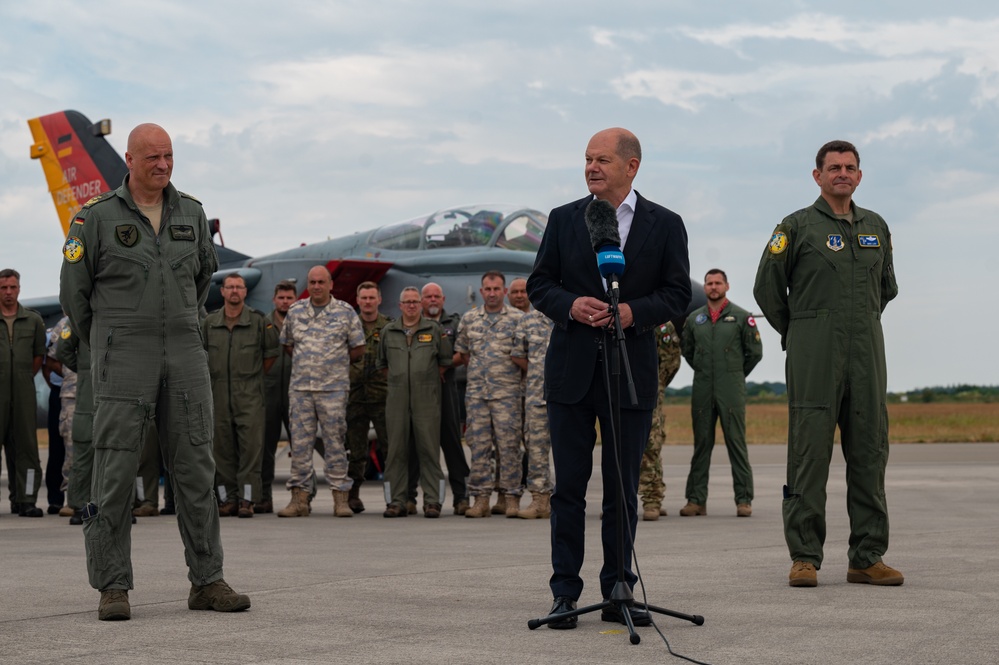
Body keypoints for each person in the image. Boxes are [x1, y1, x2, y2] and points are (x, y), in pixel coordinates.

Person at [60, 122, 250, 621]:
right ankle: (113, 586)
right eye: (152, 158)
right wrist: (109, 341)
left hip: (185, 354)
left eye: (168, 156)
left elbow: (203, 275)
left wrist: (178, 325)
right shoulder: (94, 219)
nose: (162, 165)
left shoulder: (192, 212)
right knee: (115, 473)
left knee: (195, 470)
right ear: (129, 159)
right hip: (124, 357)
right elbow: (74, 297)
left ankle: (208, 580)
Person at [527, 127, 691, 628]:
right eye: (587, 159)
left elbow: (676, 293)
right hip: (571, 373)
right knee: (569, 489)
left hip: (629, 372)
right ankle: (564, 594)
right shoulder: (563, 219)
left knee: (622, 490)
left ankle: (619, 587)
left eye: (601, 159)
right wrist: (571, 305)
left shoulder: (665, 224)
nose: (591, 167)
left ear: (631, 165)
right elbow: (539, 284)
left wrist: (631, 314)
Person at [754, 139, 902, 588]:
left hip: (866, 353)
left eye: (850, 167)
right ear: (817, 175)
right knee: (808, 455)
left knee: (870, 451)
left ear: (859, 175)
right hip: (813, 352)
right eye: (834, 166)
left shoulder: (876, 225)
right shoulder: (795, 226)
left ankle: (867, 556)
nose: (842, 173)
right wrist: (802, 331)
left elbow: (887, 288)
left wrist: (856, 325)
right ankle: (804, 557)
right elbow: (767, 289)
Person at [277, 265, 365, 518]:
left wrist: (332, 364)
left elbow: (357, 348)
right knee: (301, 446)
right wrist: (311, 365)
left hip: (333, 390)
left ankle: (340, 499)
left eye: (321, 282)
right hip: (302, 390)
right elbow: (288, 345)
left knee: (335, 444)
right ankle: (299, 500)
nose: (316, 286)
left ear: (330, 285)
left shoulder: (345, 312)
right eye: (312, 282)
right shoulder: (295, 311)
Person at [678, 270, 763, 518]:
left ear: (727, 285)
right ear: (704, 287)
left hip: (731, 389)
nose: (713, 287)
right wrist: (706, 371)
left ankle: (744, 499)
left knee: (736, 443)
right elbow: (688, 351)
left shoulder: (741, 317)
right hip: (703, 387)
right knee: (701, 445)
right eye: (709, 283)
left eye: (718, 283)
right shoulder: (695, 319)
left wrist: (734, 373)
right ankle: (695, 500)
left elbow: (755, 353)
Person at [203, 273, 279, 518]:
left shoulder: (259, 322)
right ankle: (227, 500)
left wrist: (250, 378)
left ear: (245, 292)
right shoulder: (210, 323)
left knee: (250, 451)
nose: (234, 290)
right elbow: (201, 356)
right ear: (223, 291)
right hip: (218, 395)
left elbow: (270, 356)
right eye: (230, 287)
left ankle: (247, 500)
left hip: (249, 396)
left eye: (239, 287)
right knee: (221, 451)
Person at [454, 271, 526, 518]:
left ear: (504, 292)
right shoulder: (470, 319)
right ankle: (481, 499)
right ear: (481, 291)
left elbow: (525, 356)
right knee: (479, 447)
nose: (492, 293)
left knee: (509, 448)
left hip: (507, 395)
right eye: (488, 289)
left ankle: (511, 498)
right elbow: (463, 354)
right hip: (477, 396)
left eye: (497, 289)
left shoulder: (518, 319)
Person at [378, 287, 451, 518]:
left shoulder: (434, 329)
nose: (411, 306)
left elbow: (444, 362)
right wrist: (402, 380)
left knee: (429, 450)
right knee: (395, 451)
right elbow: (383, 365)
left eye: (414, 302)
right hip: (397, 399)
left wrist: (421, 379)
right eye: (406, 302)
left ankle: (433, 502)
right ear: (400, 305)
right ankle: (395, 501)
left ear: (420, 304)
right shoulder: (388, 331)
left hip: (426, 398)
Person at [413, 282, 470, 515]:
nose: (433, 300)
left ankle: (461, 497)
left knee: (452, 442)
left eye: (437, 296)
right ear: (421, 301)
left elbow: (462, 352)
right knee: (418, 443)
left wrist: (443, 366)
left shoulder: (453, 323)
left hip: (447, 389)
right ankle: (410, 496)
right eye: (428, 297)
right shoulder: (412, 323)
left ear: (443, 299)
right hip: (419, 391)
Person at [0, 268, 47, 518]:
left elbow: (39, 356)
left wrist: (22, 378)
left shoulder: (33, 320)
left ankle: (26, 499)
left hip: (23, 393)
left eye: (12, 287)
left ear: (19, 288)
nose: (8, 292)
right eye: (3, 288)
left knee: (27, 450)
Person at [345, 281, 391, 513]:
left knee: (389, 448)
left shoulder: (389, 327)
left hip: (382, 395)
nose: (368, 302)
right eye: (364, 298)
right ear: (358, 300)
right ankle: (352, 495)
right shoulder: (348, 325)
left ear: (379, 300)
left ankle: (395, 497)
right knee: (356, 450)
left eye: (372, 297)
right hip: (355, 396)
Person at [510, 306, 554, 519]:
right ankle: (540, 501)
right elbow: (518, 355)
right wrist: (540, 370)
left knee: (573, 454)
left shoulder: (573, 315)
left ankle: (568, 500)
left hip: (571, 398)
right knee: (536, 451)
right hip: (537, 396)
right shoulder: (528, 321)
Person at [638, 321, 682, 521]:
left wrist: (657, 382)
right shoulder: (614, 312)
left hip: (649, 387)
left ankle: (652, 500)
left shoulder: (660, 322)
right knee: (618, 446)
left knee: (651, 444)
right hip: (617, 385)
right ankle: (618, 500)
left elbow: (672, 360)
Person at [260, 281, 296, 513]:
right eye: (281, 297)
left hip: (296, 393)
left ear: (295, 300)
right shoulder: (263, 324)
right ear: (274, 300)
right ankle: (264, 497)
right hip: (269, 392)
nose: (285, 301)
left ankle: (303, 496)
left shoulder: (302, 323)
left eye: (289, 298)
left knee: (302, 449)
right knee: (266, 448)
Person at [47, 317, 78, 518]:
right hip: (73, 393)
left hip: (105, 392)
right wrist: (74, 371)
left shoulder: (109, 313)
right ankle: (71, 497)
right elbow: (52, 359)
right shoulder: (67, 324)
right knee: (71, 446)